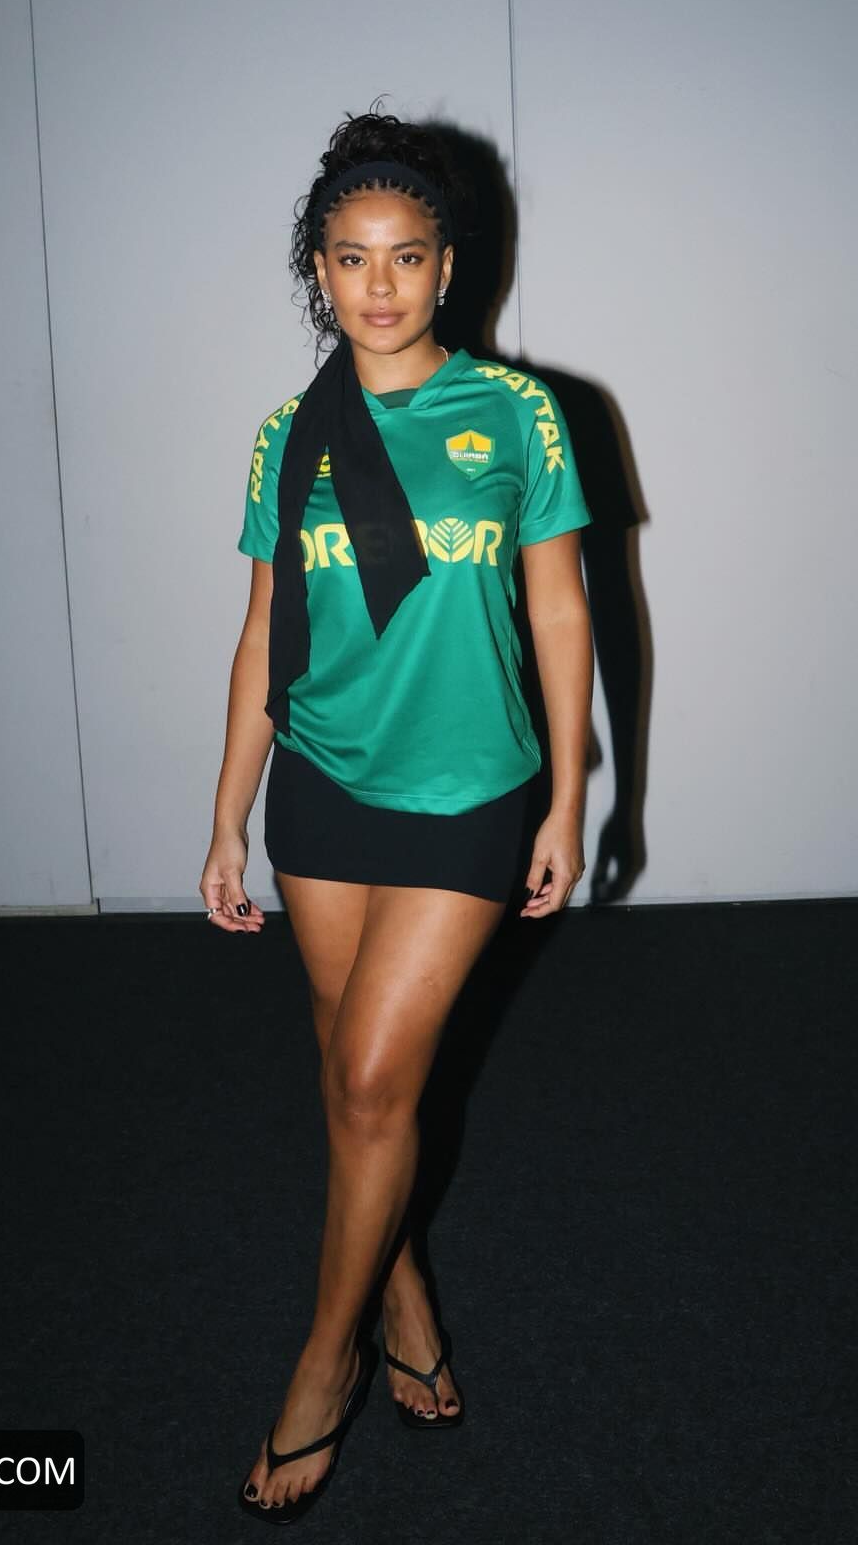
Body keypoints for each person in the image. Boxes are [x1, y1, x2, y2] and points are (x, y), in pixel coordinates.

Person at [199, 109, 595, 1522]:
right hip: (321, 786)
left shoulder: (520, 414)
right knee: (349, 1069)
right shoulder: (286, 437)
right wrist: (227, 815)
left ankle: (328, 1361)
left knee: (371, 1083)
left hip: (468, 794)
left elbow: (562, 608)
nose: (380, 284)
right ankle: (405, 1288)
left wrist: (570, 793)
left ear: (448, 267)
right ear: (319, 270)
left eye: (407, 255)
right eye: (352, 257)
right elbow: (263, 635)